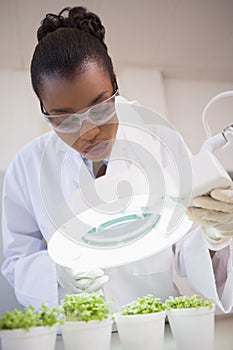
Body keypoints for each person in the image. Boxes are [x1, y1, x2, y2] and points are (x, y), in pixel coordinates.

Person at [1, 5, 233, 314]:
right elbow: (17, 259)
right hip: (76, 333)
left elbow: (187, 241)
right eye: (64, 120)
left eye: (99, 108)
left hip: (156, 324)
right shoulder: (26, 167)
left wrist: (213, 237)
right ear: (45, 110)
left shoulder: (160, 141)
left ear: (114, 84)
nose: (88, 133)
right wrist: (57, 271)